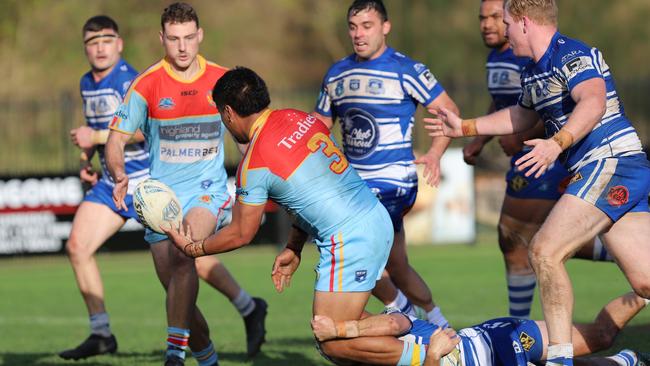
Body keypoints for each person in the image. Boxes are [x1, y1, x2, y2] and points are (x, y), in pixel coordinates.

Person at [425, 0, 650, 364]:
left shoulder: (571, 54)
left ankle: (559, 358)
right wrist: (465, 127)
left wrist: (555, 143)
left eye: (507, 22)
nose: (503, 30)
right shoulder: (533, 71)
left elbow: (592, 102)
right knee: (644, 282)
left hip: (612, 163)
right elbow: (522, 116)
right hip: (611, 169)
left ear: (525, 23)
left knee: (544, 250)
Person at [162, 66, 401, 364]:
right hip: (374, 217)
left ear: (228, 113)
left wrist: (193, 248)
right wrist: (294, 245)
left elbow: (241, 232)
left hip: (349, 240)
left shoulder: (254, 164)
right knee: (348, 330)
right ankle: (413, 329)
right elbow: (312, 191)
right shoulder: (299, 117)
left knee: (333, 340)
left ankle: (432, 353)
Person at [106, 4, 267, 365]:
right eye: (174, 39)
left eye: (189, 38)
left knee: (184, 256)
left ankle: (173, 355)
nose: (182, 47)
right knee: (178, 293)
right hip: (160, 197)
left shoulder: (222, 80)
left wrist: (256, 178)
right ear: (161, 38)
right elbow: (115, 141)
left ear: (200, 36)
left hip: (206, 191)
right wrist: (119, 174)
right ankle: (207, 359)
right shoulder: (146, 84)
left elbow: (248, 137)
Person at [464, 0, 612, 320]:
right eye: (483, 18)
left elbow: (553, 105)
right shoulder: (499, 57)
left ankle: (519, 327)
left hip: (547, 155)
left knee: (518, 236)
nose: (489, 25)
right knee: (524, 241)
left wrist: (524, 137)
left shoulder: (537, 55)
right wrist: (478, 137)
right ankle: (523, 327)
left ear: (520, 20)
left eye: (496, 17)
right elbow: (506, 103)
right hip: (530, 154)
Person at [312, 0, 456, 328]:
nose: (359, 34)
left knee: (356, 250)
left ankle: (403, 313)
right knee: (398, 267)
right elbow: (318, 129)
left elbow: (450, 112)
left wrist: (434, 153)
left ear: (385, 27)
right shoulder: (337, 73)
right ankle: (440, 325)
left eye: (367, 26)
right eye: (353, 26)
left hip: (394, 181)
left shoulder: (407, 70)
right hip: (354, 184)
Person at [59, 15, 149, 360]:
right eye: (92, 42)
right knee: (78, 246)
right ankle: (101, 334)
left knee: (187, 263)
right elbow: (96, 130)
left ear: (119, 44)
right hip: (110, 184)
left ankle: (247, 307)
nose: (99, 47)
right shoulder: (86, 82)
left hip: (144, 183)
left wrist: (94, 136)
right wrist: (88, 159)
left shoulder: (130, 81)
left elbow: (144, 131)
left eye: (106, 40)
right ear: (85, 48)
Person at [310, 292, 650, 365]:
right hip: (497, 346)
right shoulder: (380, 356)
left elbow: (392, 320)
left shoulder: (390, 326)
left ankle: (644, 287)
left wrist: (341, 328)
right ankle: (629, 360)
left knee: (600, 336)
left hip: (503, 336)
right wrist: (432, 356)